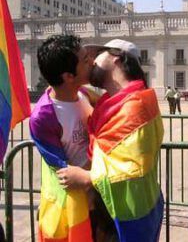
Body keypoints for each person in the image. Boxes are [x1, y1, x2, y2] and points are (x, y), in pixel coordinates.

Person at [57, 39, 164, 242]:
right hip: (115, 208)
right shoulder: (113, 103)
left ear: (116, 58)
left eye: (98, 54)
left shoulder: (135, 107)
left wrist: (88, 177)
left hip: (130, 213)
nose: (92, 62)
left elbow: (131, 169)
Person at [29, 35, 99, 241]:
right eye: (85, 60)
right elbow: (64, 172)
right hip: (76, 208)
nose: (92, 62)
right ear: (69, 76)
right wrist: (102, 168)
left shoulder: (85, 93)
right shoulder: (43, 117)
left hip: (99, 195)